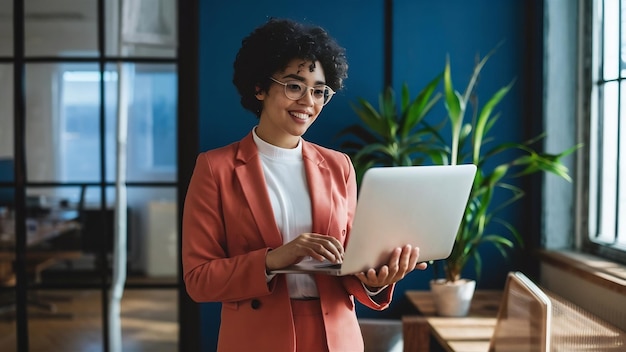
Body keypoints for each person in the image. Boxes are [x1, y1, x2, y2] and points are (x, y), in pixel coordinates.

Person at [182, 18, 428, 352]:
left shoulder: (339, 165)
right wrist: (273, 259)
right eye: (294, 86)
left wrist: (377, 280)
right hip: (258, 338)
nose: (308, 102)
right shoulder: (215, 168)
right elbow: (199, 280)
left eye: (319, 91)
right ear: (259, 87)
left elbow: (351, 260)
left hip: (336, 336)